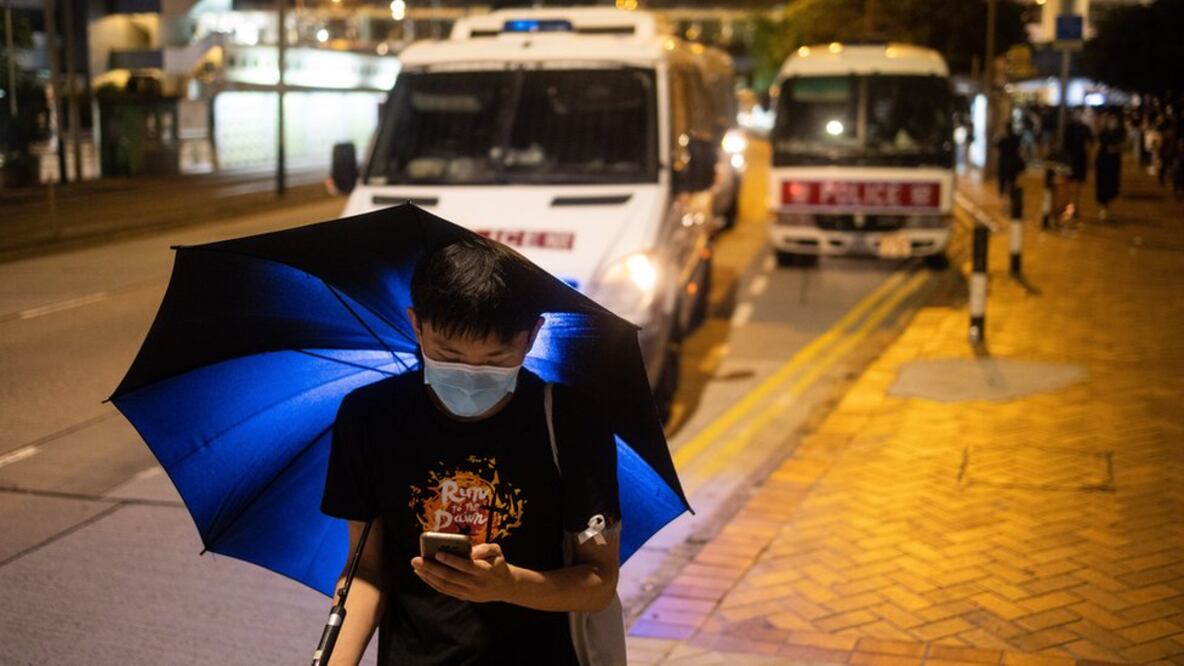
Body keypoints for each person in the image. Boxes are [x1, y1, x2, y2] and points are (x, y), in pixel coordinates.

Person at [320, 237, 622, 665]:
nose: (471, 376)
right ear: (417, 325)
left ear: (532, 334)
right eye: (448, 354)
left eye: (497, 359)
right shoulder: (370, 417)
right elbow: (366, 571)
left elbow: (598, 581)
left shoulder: (571, 422)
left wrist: (508, 585)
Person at [1063, 108, 1093, 220]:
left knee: (1078, 185)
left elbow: (1090, 144)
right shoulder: (1068, 128)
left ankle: (1075, 207)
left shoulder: (1085, 128)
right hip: (1071, 160)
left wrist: (1089, 160)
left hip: (1080, 159)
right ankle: (1070, 207)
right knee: (1070, 185)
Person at [1095, 111, 1125, 220]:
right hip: (1103, 162)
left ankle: (1107, 205)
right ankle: (1104, 207)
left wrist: (1116, 149)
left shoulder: (1119, 133)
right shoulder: (1103, 133)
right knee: (1103, 185)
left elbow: (1123, 145)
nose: (1113, 123)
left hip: (1114, 162)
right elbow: (1099, 145)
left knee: (1112, 185)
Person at [995, 122, 1025, 197]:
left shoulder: (1003, 139)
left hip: (1004, 163)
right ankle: (1011, 194)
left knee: (1003, 181)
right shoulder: (1016, 138)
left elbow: (996, 145)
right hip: (1013, 163)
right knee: (1012, 181)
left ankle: (1004, 196)